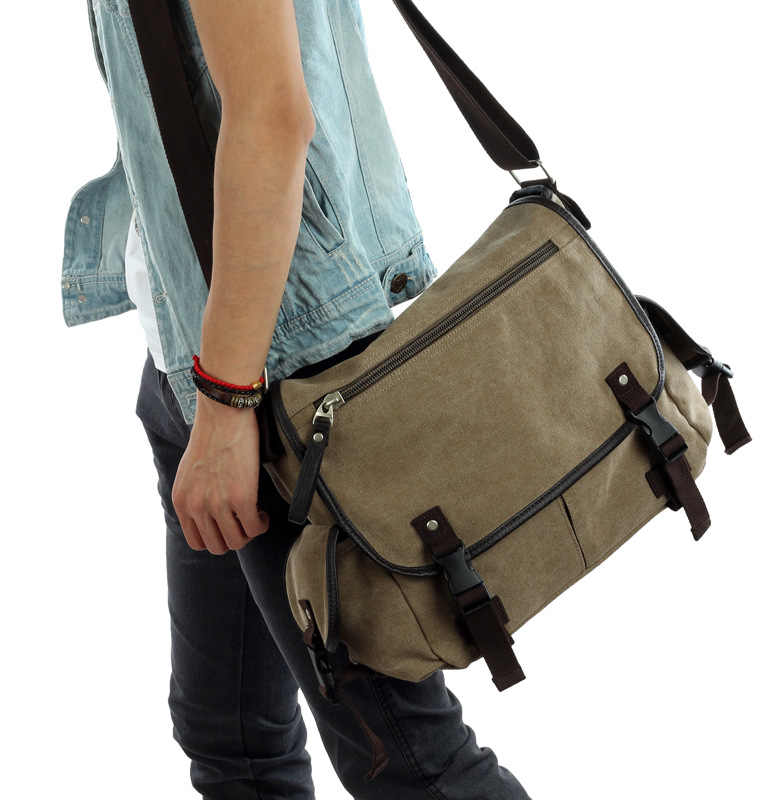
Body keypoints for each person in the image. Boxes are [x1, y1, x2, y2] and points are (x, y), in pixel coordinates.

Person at [62, 1, 530, 797]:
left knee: (410, 764)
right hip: (198, 348)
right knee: (233, 740)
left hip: (272, 375)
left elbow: (273, 118)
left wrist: (226, 403)